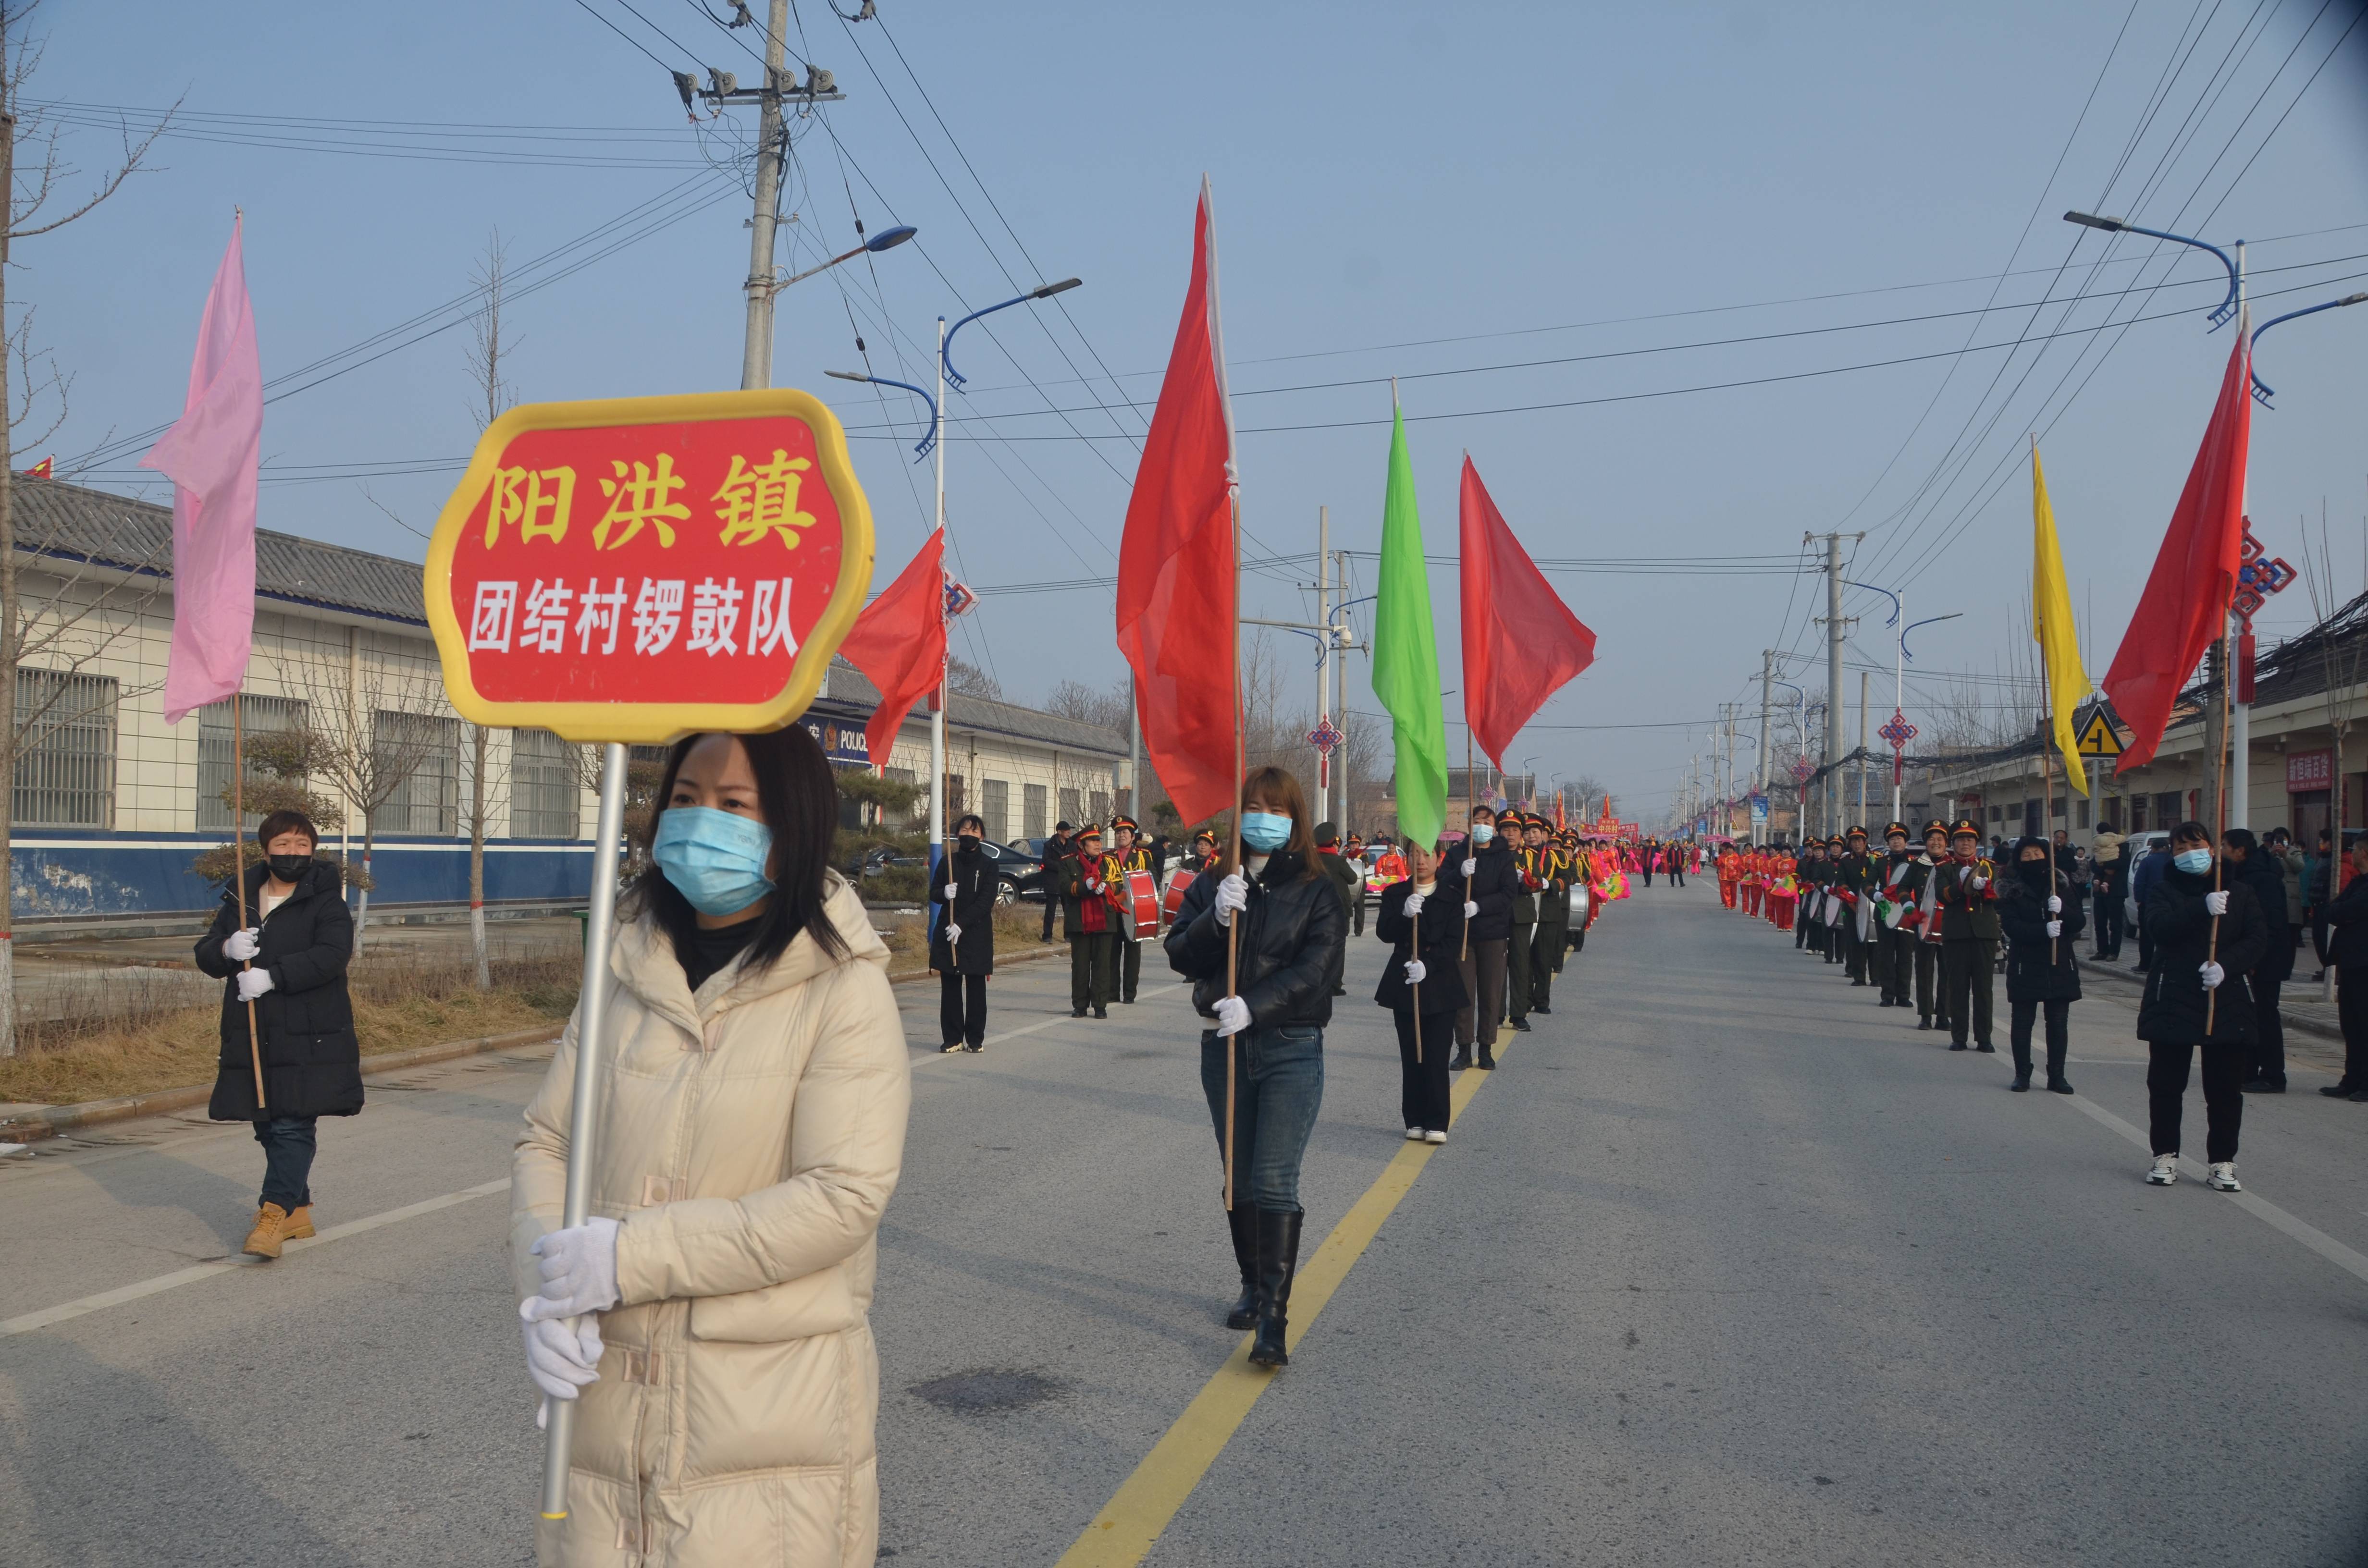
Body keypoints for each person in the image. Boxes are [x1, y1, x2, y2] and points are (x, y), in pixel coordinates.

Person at [511, 726, 910, 1564]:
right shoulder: (623, 968)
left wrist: (628, 1254)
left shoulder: (844, 986)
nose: (701, 821)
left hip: (764, 1423)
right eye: (685, 799)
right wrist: (549, 1286)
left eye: (735, 804)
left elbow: (842, 1195)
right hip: (607, 1414)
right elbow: (549, 1140)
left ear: (791, 825)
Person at [1164, 765, 1347, 1369]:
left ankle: (1274, 1316)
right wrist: (1214, 919)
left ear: (1293, 818)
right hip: (1223, 1046)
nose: (1262, 818)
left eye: (1275, 808)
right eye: (1252, 807)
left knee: (1273, 1182)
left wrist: (1256, 1005)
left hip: (1290, 1044)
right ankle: (1250, 1280)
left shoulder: (1319, 889)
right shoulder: (1219, 879)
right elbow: (1178, 955)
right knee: (1237, 1179)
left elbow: (1318, 969)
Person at [196, 809, 359, 1261]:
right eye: (283, 845)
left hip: (309, 1030)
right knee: (267, 1123)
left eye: (302, 845)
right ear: (266, 849)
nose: (292, 853)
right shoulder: (242, 897)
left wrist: (273, 977)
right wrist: (226, 949)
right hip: (252, 1032)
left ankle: (273, 1214)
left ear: (313, 851)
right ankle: (299, 1208)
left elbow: (332, 955)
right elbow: (207, 952)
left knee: (292, 1122)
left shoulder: (326, 900)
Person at [2136, 821, 2265, 1191]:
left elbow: (2258, 938)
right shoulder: (2163, 891)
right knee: (2165, 1085)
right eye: (2179, 848)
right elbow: (2158, 928)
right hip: (2173, 994)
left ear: (2212, 847)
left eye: (2195, 844)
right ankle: (2165, 1155)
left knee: (2224, 1090)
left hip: (2225, 998)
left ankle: (2222, 1162)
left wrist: (2227, 966)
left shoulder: (2239, 892)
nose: (2188, 853)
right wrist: (2200, 907)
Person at [1375, 834, 1466, 1144]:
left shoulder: (1453, 896)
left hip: (1440, 983)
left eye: (1427, 854)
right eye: (1414, 853)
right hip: (1405, 982)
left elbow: (1454, 942)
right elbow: (1385, 934)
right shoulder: (1396, 893)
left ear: (1440, 858)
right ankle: (1413, 1118)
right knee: (1411, 1054)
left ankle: (1437, 1120)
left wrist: (1429, 963)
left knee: (1437, 1055)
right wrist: (1403, 915)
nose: (1421, 860)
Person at [1998, 835, 2081, 1093]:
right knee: (2022, 1022)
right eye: (2027, 855)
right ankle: (2022, 1073)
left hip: (2059, 963)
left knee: (2058, 1021)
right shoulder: (2011, 888)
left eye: (2038, 854)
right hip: (2026, 963)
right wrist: (2042, 930)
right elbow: (2011, 926)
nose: (2033, 859)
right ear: (2019, 859)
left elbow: (2079, 922)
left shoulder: (2061, 884)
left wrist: (2063, 910)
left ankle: (2057, 1075)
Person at [2224, 829, 2293, 1094]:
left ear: (2240, 850)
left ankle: (2273, 1075)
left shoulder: (2262, 879)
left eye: (2225, 846)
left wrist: (2255, 957)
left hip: (2265, 960)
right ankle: (2249, 1071)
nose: (2221, 850)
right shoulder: (2240, 876)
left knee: (2265, 1016)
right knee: (2247, 1016)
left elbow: (2270, 925)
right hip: (2246, 958)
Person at [1453, 805, 1517, 1070]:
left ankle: (1487, 1048)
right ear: (1470, 825)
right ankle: (1464, 1048)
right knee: (1463, 993)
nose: (1481, 825)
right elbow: (1442, 884)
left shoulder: (1504, 857)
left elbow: (1509, 892)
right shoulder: (1458, 853)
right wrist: (1458, 874)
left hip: (1493, 933)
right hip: (1464, 934)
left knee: (1491, 992)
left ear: (1494, 826)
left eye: (1487, 822)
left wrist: (1479, 906)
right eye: (1477, 821)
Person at [931, 813, 998, 1053]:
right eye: (964, 831)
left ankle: (975, 1038)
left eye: (974, 831)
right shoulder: (948, 862)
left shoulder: (990, 865)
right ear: (957, 834)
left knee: (976, 988)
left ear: (982, 836)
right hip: (948, 933)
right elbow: (934, 891)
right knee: (950, 986)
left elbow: (986, 901)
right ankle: (952, 1038)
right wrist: (943, 893)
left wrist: (962, 924)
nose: (969, 835)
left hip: (975, 934)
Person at [1934, 820, 1999, 1052]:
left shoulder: (1990, 866)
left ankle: (1984, 1038)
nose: (1965, 844)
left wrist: (1987, 888)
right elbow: (1943, 896)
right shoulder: (1944, 867)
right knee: (1958, 987)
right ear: (1953, 843)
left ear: (1977, 843)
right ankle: (1959, 1036)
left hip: (1984, 934)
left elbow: (2000, 896)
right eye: (1961, 840)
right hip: (1957, 933)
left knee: (1983, 988)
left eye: (1969, 840)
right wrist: (1961, 884)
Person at [2317, 832, 2368, 1101]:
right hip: (2350, 963)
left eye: (2356, 850)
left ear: (2364, 853)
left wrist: (2345, 913)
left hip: (2364, 964)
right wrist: (2345, 914)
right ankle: (2351, 1080)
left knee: (2364, 1023)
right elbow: (2332, 911)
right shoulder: (2359, 882)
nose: (2353, 854)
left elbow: (2347, 911)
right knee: (2350, 1025)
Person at [1061, 824, 1119, 1019]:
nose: (1098, 844)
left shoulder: (1110, 862)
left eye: (1099, 840)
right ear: (1082, 844)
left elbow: (1119, 883)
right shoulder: (1068, 863)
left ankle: (1100, 1005)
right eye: (1093, 841)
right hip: (1080, 921)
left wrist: (1108, 886)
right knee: (1080, 966)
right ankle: (1079, 1005)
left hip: (1105, 920)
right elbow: (1065, 886)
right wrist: (1084, 887)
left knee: (1103, 965)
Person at [1869, 822, 1921, 1010]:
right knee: (1886, 954)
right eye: (1893, 838)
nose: (1896, 841)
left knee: (1906, 955)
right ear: (1888, 843)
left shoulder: (1916, 863)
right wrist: (1875, 895)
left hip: (1907, 913)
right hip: (1886, 912)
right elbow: (1867, 884)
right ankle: (1888, 995)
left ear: (1906, 841)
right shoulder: (1881, 863)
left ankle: (1904, 996)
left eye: (1900, 838)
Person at [1109, 816, 1156, 1005]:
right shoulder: (1109, 856)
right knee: (1112, 953)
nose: (1121, 836)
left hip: (1136, 912)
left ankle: (1129, 993)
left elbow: (1154, 878)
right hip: (1114, 911)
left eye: (1125, 833)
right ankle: (1112, 993)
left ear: (1132, 836)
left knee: (1132, 954)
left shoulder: (1144, 856)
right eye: (1118, 833)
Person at [1313, 821, 1361, 997]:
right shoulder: (1338, 861)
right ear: (1333, 842)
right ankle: (1335, 984)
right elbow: (1353, 879)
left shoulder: (1311, 860)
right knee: (1338, 947)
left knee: (1316, 946)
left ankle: (1318, 982)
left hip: (1315, 909)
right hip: (1339, 909)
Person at [1530, 819, 1571, 1015]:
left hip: (1547, 912)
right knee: (1523, 961)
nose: (1532, 836)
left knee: (1544, 959)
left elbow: (1566, 878)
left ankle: (1541, 1000)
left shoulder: (1557, 856)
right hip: (1524, 913)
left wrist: (1551, 885)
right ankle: (1524, 999)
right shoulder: (1519, 855)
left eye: (1538, 832)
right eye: (1527, 832)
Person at [2131, 835, 2172, 972]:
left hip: (2149, 903)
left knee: (2146, 936)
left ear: (2153, 849)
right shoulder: (2173, 860)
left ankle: (2145, 965)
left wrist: (2139, 900)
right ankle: (2166, 965)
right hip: (2171, 903)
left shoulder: (2147, 861)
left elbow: (2139, 882)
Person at [2091, 819, 2126, 960]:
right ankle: (2102, 951)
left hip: (2116, 891)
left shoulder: (2122, 845)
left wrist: (2104, 864)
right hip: (2100, 892)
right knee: (2099, 923)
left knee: (2115, 924)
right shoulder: (2098, 845)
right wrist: (2103, 866)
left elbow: (2123, 863)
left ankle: (2114, 952)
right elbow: (2093, 864)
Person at [1039, 821, 1074, 941]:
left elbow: (1075, 859)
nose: (1069, 832)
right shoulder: (1049, 845)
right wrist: (1062, 866)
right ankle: (1047, 936)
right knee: (1051, 910)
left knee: (1069, 910)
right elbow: (1046, 861)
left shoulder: (1072, 845)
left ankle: (1069, 935)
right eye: (1066, 830)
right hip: (1053, 881)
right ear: (1059, 832)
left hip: (1067, 881)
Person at [1343, 832, 1370, 937]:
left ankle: (1358, 931)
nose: (1354, 846)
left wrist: (1362, 863)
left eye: (1356, 844)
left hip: (1360, 884)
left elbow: (1367, 865)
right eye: (1352, 844)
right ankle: (1345, 930)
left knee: (1359, 908)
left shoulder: (1363, 854)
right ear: (1349, 845)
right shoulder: (1345, 853)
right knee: (1346, 907)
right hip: (1347, 884)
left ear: (1359, 845)